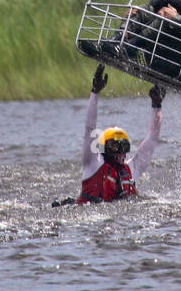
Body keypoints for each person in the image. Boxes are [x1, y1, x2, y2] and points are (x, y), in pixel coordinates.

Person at [52, 64, 164, 205]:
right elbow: (89, 129)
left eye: (123, 146)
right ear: (104, 147)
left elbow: (152, 138)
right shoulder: (93, 163)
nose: (120, 152)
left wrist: (157, 105)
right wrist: (95, 93)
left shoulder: (132, 168)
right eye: (115, 146)